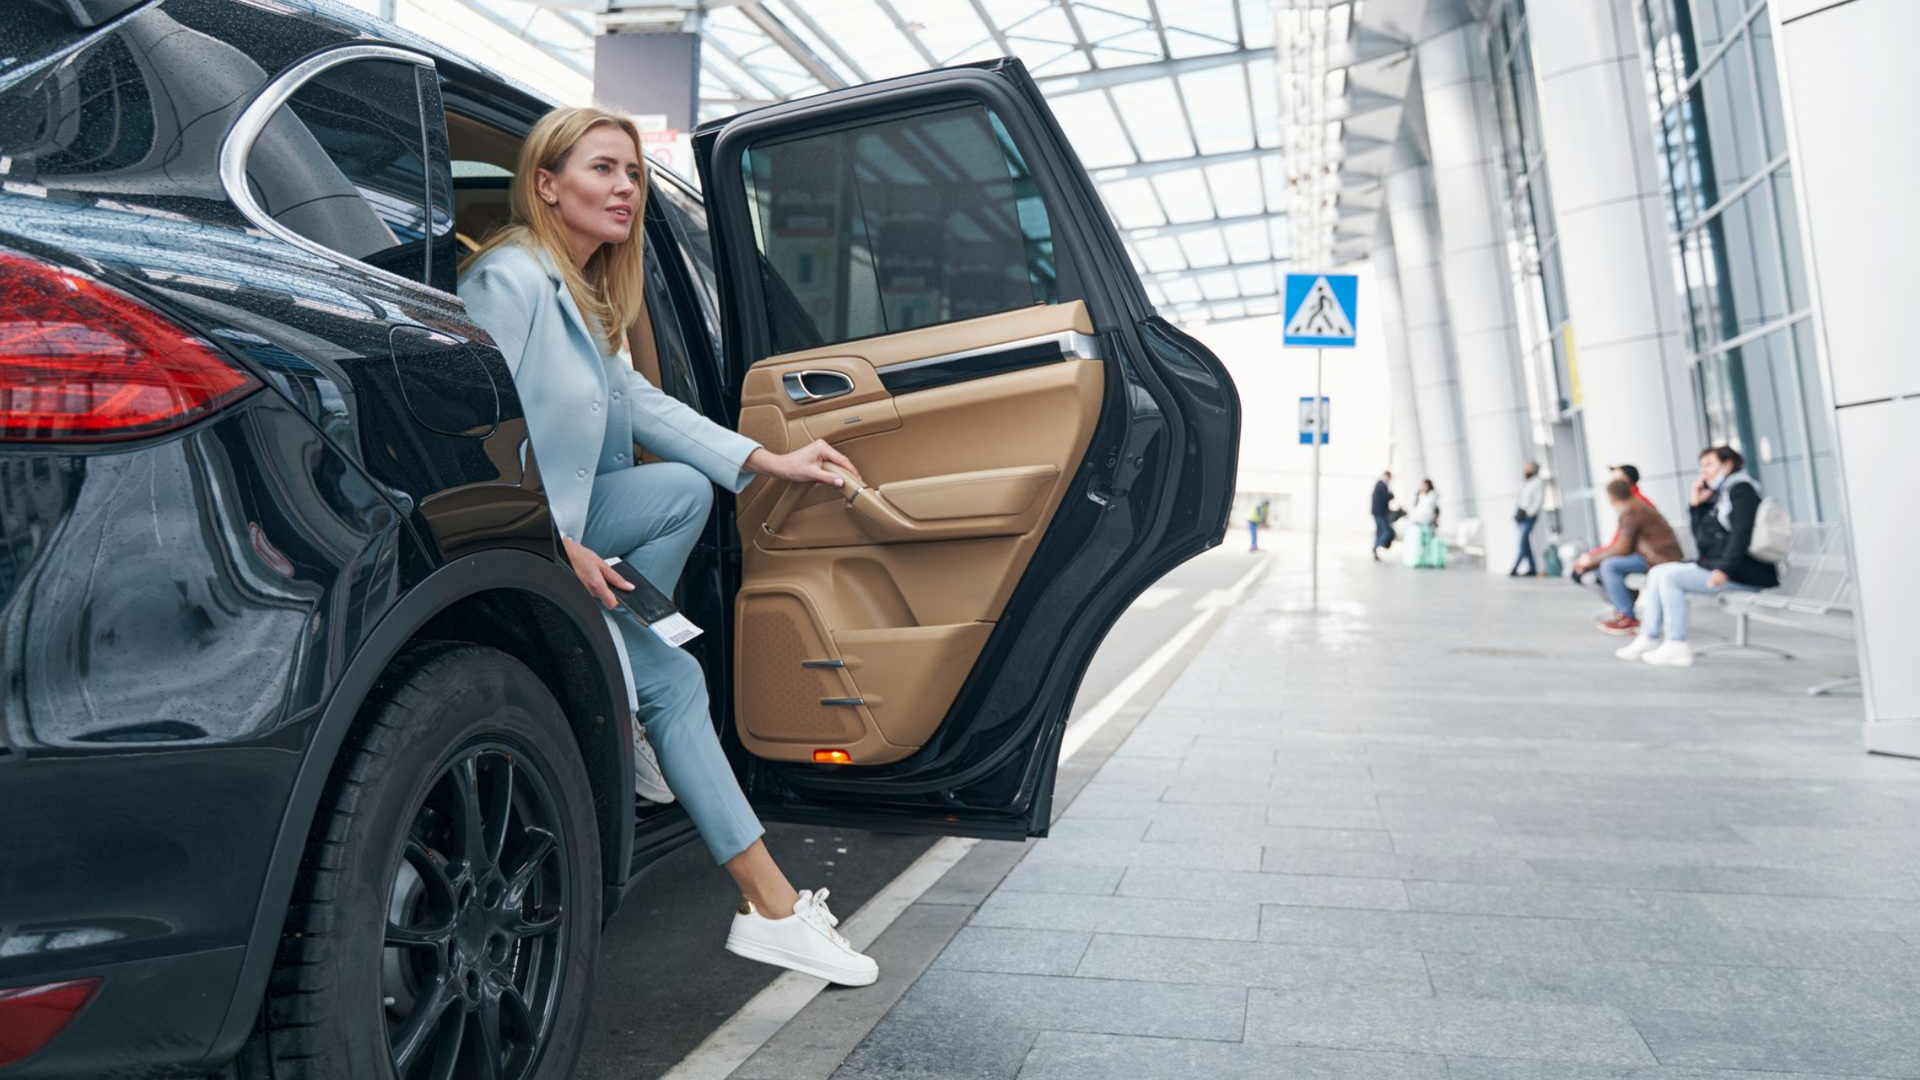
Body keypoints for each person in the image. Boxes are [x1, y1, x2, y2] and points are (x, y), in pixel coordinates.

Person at [458, 106, 878, 986]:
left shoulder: (577, 291)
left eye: (633, 174)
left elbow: (649, 408)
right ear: (547, 184)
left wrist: (773, 461)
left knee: (684, 489)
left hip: (564, 531)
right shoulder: (509, 278)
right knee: (676, 680)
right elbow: (478, 426)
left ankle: (630, 676)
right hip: (506, 531)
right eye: (603, 169)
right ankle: (768, 904)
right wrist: (552, 539)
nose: (625, 189)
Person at [1616, 446, 1779, 667]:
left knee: (1669, 577)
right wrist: (1696, 506)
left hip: (1745, 572)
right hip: (1723, 567)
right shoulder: (1720, 495)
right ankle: (1648, 636)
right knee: (1658, 571)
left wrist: (1725, 570)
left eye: (1709, 464)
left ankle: (1676, 643)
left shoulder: (1741, 491)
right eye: (1701, 466)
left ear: (1728, 464)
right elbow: (1703, 540)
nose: (1704, 471)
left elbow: (1742, 534)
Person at [1582, 479, 1684, 634]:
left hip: (1658, 559)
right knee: (1605, 567)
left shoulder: (1631, 510)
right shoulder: (1635, 506)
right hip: (1656, 556)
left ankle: (1626, 617)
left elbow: (1622, 548)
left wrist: (1592, 560)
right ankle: (1626, 608)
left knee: (1609, 566)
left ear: (1611, 497)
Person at [1510, 460, 1545, 577]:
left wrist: (1530, 512)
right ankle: (1532, 568)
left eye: (1529, 467)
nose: (1526, 469)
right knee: (1525, 544)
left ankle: (1514, 568)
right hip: (1520, 516)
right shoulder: (1524, 482)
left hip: (1529, 516)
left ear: (1534, 469)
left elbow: (1539, 500)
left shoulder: (1538, 482)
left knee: (1522, 543)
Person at [1402, 479, 1445, 569]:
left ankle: (1427, 559)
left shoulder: (1431, 496)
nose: (1422, 487)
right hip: (1419, 519)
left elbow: (1427, 509)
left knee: (1427, 540)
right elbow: (1417, 508)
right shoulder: (1421, 496)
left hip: (1425, 520)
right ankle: (1419, 558)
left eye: (1424, 485)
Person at [1370, 470, 1395, 560]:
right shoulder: (1381, 485)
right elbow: (1386, 497)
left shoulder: (1379, 485)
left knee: (1379, 532)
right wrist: (1391, 495)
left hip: (1377, 512)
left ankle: (1376, 548)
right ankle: (1377, 545)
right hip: (1380, 513)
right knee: (1386, 532)